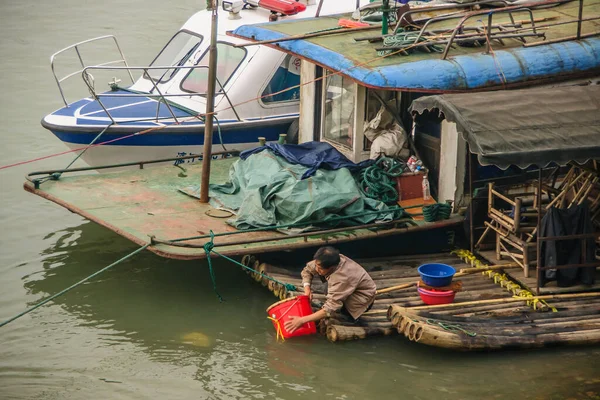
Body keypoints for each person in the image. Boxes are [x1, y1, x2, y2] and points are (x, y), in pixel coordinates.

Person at [284, 246, 376, 333]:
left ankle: (348, 315)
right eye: (316, 265)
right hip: (345, 289)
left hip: (360, 301)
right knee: (327, 288)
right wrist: (307, 289)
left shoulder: (342, 278)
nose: (316, 269)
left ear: (331, 268)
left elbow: (329, 309)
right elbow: (307, 270)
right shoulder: (325, 261)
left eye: (320, 268)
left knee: (339, 312)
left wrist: (301, 320)